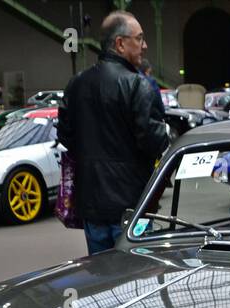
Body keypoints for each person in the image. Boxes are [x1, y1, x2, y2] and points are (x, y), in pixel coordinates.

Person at [57, 10, 170, 255]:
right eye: (139, 39)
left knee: (102, 280)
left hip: (91, 203)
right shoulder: (138, 85)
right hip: (132, 206)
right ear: (120, 43)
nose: (145, 45)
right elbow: (154, 142)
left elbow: (65, 136)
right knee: (135, 278)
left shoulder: (76, 84)